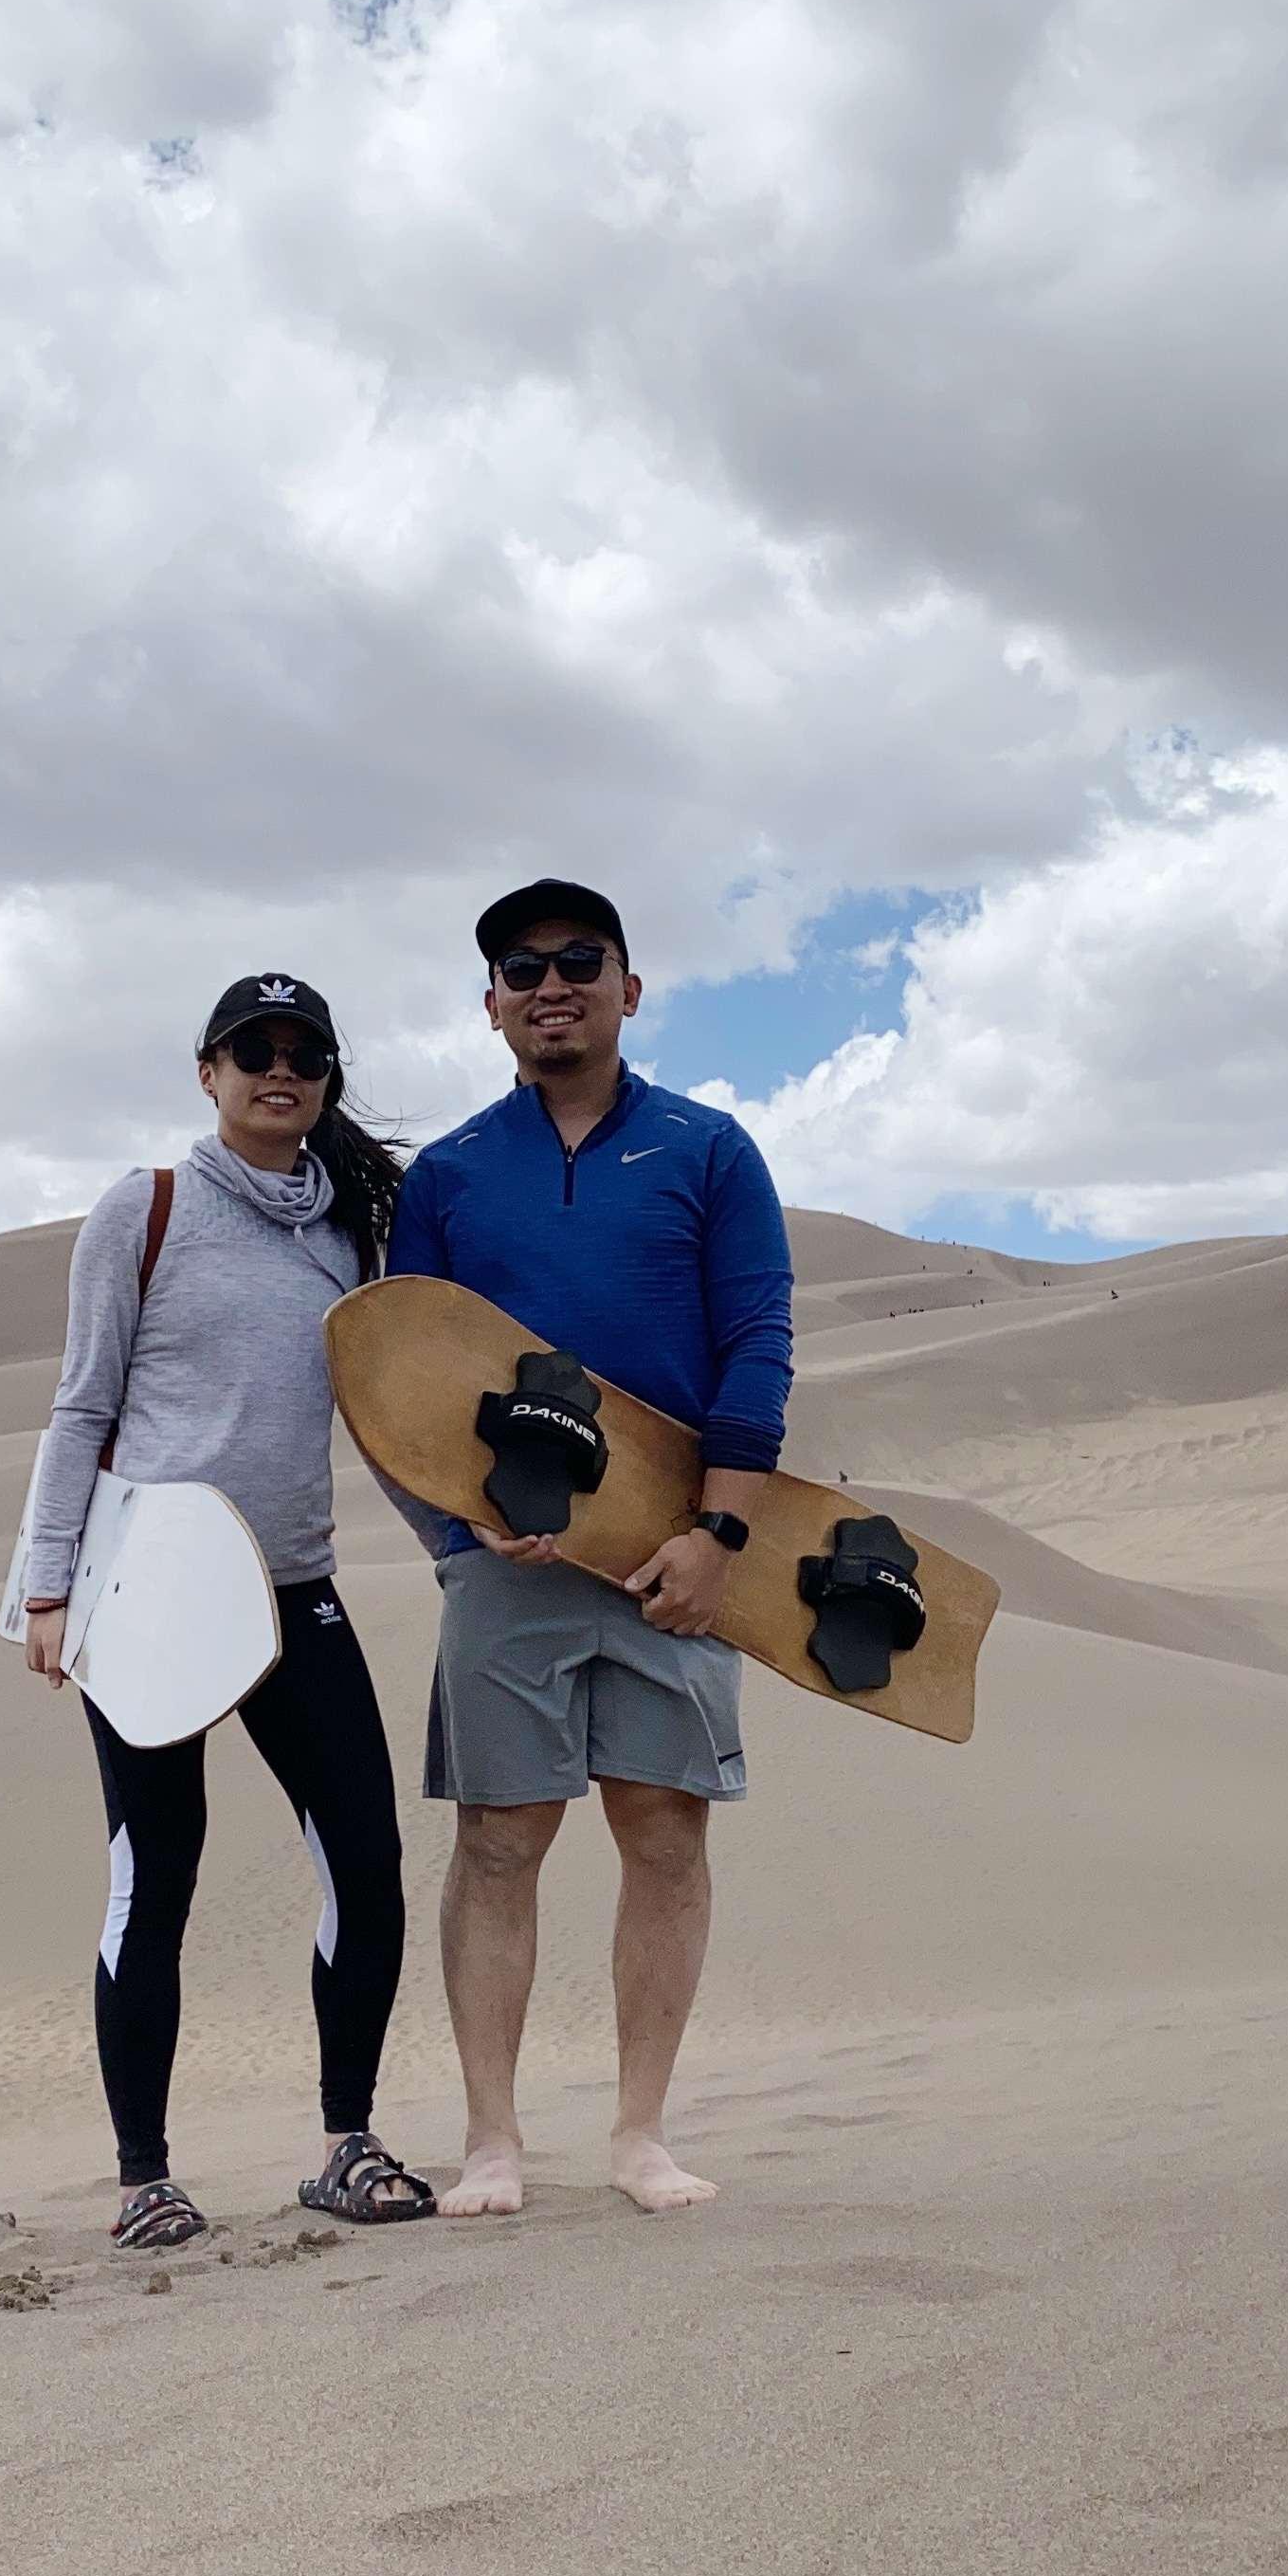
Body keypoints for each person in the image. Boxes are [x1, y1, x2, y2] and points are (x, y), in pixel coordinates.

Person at [383, 876, 793, 2218]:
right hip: (507, 1568)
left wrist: (721, 1533)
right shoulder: (445, 1176)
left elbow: (756, 1346)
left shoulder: (709, 1151)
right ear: (491, 1005)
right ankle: (493, 2142)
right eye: (521, 968)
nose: (549, 983)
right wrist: (461, 1532)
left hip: (675, 1558)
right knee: (499, 1838)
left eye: (577, 960)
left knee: (665, 1831)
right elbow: (407, 1375)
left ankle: (640, 2136)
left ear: (629, 986)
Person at [22, 974, 435, 2252]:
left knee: (366, 1867)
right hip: (151, 1592)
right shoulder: (143, 1212)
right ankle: (145, 2173)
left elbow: (382, 1418)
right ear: (207, 1072)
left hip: (295, 1589)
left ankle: (345, 2145)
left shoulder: (348, 1238)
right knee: (157, 1878)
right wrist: (47, 1585)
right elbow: (82, 1404)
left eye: (307, 1052)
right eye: (253, 1050)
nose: (282, 1069)